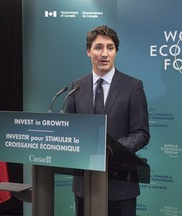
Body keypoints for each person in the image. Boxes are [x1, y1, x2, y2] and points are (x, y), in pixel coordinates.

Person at [64, 25, 150, 216]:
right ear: (88, 51)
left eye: (110, 48)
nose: (104, 53)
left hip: (120, 185)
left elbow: (141, 133)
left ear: (116, 52)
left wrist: (112, 149)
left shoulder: (133, 87)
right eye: (98, 47)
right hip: (84, 184)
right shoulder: (76, 87)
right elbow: (67, 129)